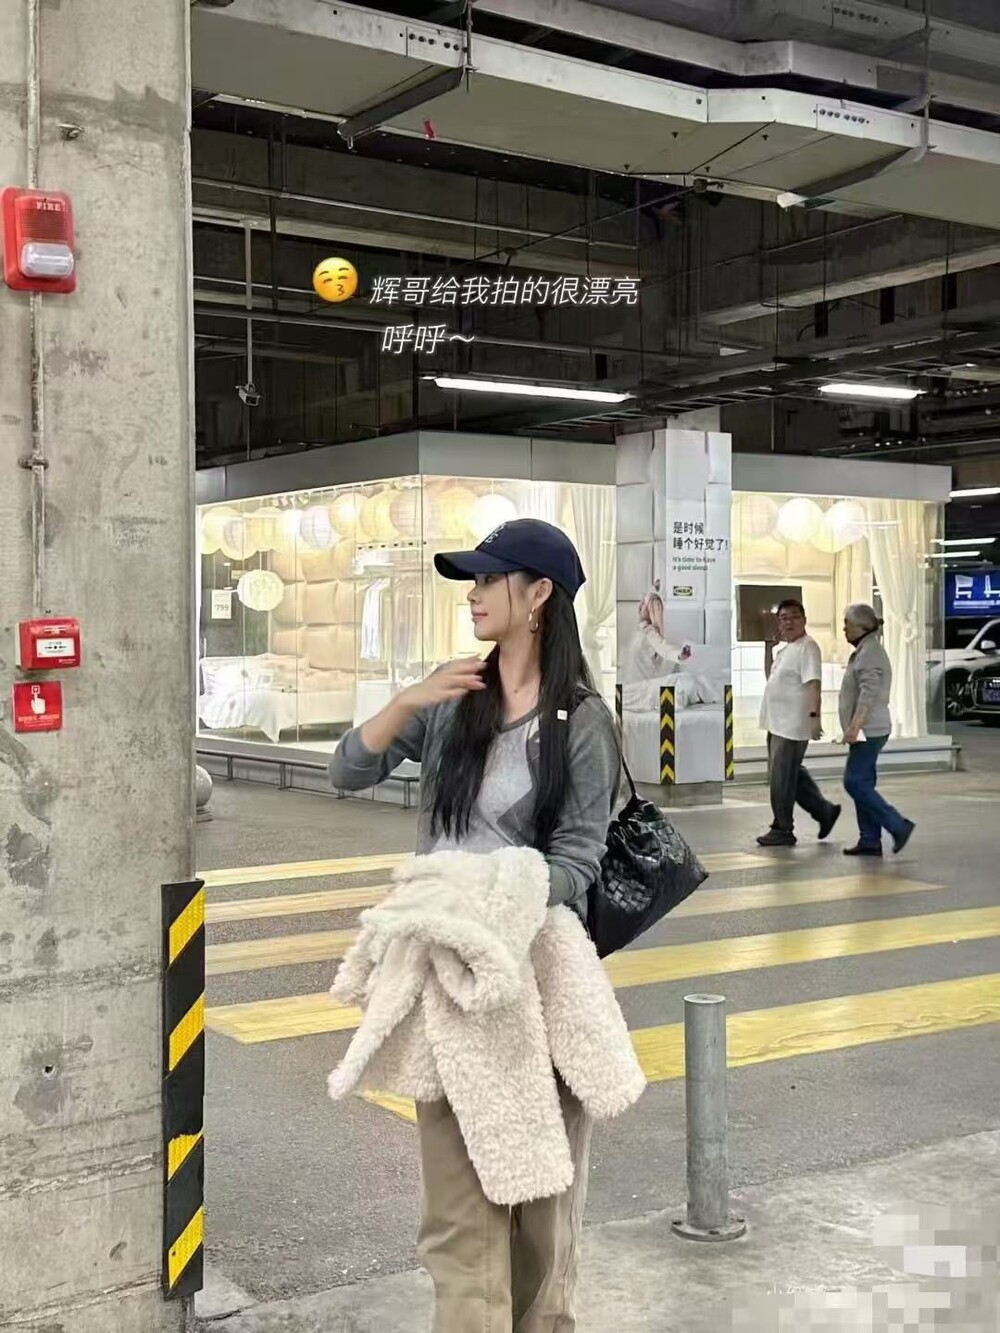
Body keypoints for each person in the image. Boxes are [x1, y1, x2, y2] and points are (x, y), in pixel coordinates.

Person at [329, 517, 621, 1332]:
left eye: (491, 579)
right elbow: (348, 769)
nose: (474, 593)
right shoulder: (453, 698)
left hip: (537, 982)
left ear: (539, 594)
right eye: (473, 580)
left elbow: (579, 859)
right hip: (450, 985)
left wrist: (495, 892)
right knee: (458, 1219)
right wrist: (408, 698)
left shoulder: (581, 721)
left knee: (541, 1215)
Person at [757, 598, 841, 848]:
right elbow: (771, 678)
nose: (789, 622)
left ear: (804, 619)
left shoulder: (808, 647)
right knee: (791, 774)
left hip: (792, 725)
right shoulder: (786, 650)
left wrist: (815, 717)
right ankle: (824, 811)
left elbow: (814, 683)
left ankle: (782, 828)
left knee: (781, 778)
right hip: (777, 723)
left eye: (794, 616)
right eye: (783, 618)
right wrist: (768, 649)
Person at [839, 603, 915, 858]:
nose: (844, 629)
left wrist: (854, 727)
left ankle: (898, 825)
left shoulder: (870, 653)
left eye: (848, 625)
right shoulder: (865, 650)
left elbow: (868, 696)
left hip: (869, 730)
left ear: (862, 627)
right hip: (867, 729)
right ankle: (869, 839)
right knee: (863, 783)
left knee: (854, 782)